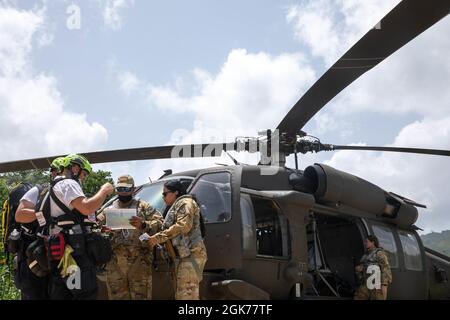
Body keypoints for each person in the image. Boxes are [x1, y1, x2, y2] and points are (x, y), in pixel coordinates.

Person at [46, 154, 114, 300]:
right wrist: (104, 190)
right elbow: (87, 207)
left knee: (63, 294)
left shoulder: (52, 188)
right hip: (74, 253)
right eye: (84, 174)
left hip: (61, 251)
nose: (83, 178)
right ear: (75, 168)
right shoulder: (68, 184)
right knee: (85, 294)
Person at [96, 174, 163, 300]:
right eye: (120, 189)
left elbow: (161, 224)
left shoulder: (143, 207)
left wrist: (143, 224)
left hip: (139, 262)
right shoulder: (108, 210)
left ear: (133, 189)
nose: (123, 192)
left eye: (126, 189)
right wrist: (102, 230)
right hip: (115, 264)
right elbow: (94, 227)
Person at [13, 156, 66, 300]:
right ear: (54, 172)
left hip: (55, 254)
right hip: (33, 254)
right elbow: (20, 215)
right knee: (34, 294)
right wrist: (44, 213)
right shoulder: (39, 190)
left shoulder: (68, 194)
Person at [146, 180, 207, 300]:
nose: (163, 197)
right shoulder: (176, 206)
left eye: (165, 194)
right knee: (183, 294)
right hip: (182, 258)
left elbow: (184, 225)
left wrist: (157, 239)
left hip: (190, 256)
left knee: (186, 296)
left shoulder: (185, 202)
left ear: (176, 193)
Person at [354, 235, 392, 300]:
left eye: (367, 242)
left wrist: (384, 285)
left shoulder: (379, 253)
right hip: (365, 284)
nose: (365, 243)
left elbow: (385, 269)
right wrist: (359, 270)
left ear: (372, 242)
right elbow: (361, 270)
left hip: (376, 286)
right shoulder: (365, 256)